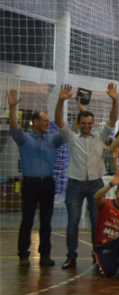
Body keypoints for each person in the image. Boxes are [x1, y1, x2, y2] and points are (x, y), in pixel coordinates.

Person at [55, 82, 119, 269]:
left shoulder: (100, 137)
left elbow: (113, 119)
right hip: (74, 184)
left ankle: (96, 255)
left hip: (95, 185)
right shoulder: (71, 138)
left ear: (92, 124)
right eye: (83, 123)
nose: (86, 126)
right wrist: (60, 101)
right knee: (73, 222)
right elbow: (59, 120)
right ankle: (71, 256)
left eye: (90, 123)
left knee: (96, 222)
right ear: (79, 124)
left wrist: (115, 100)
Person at [8, 88, 65, 267]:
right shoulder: (25, 139)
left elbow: (65, 131)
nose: (48, 123)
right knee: (27, 219)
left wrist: (61, 102)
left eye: (48, 120)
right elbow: (14, 128)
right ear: (35, 122)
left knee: (46, 221)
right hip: (31, 184)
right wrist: (11, 108)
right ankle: (23, 254)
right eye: (45, 120)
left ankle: (45, 255)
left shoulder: (52, 139)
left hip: (48, 183)